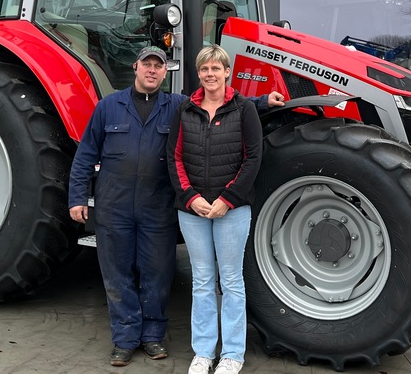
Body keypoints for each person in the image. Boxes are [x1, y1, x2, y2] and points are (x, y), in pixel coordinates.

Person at [69, 46, 282, 368]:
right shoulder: (108, 107)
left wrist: (262, 102)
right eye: (147, 65)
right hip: (115, 205)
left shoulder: (177, 106)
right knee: (117, 274)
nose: (152, 71)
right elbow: (86, 153)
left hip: (157, 205)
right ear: (136, 67)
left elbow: (218, 102)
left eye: (158, 66)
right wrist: (76, 198)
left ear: (165, 72)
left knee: (157, 273)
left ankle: (153, 336)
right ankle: (125, 339)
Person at [167, 45, 262, 374]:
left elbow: (253, 158)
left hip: (231, 210)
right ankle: (204, 352)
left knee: (232, 280)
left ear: (226, 73)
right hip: (192, 209)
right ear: (199, 74)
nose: (210, 74)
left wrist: (228, 199)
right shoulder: (186, 110)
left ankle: (233, 354)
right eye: (204, 68)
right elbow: (174, 157)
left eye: (215, 68)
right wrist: (190, 197)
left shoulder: (244, 109)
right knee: (203, 280)